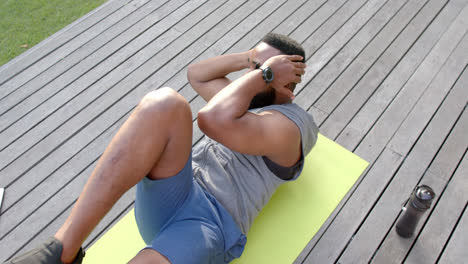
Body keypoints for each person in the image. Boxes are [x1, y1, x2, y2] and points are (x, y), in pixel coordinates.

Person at [5, 33, 318, 264]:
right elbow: (196, 73)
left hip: (210, 223)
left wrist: (264, 73)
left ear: (285, 86)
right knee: (165, 103)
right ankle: (61, 251)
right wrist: (251, 59)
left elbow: (211, 120)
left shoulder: (292, 125)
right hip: (177, 192)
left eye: (264, 72)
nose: (250, 74)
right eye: (253, 67)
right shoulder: (243, 99)